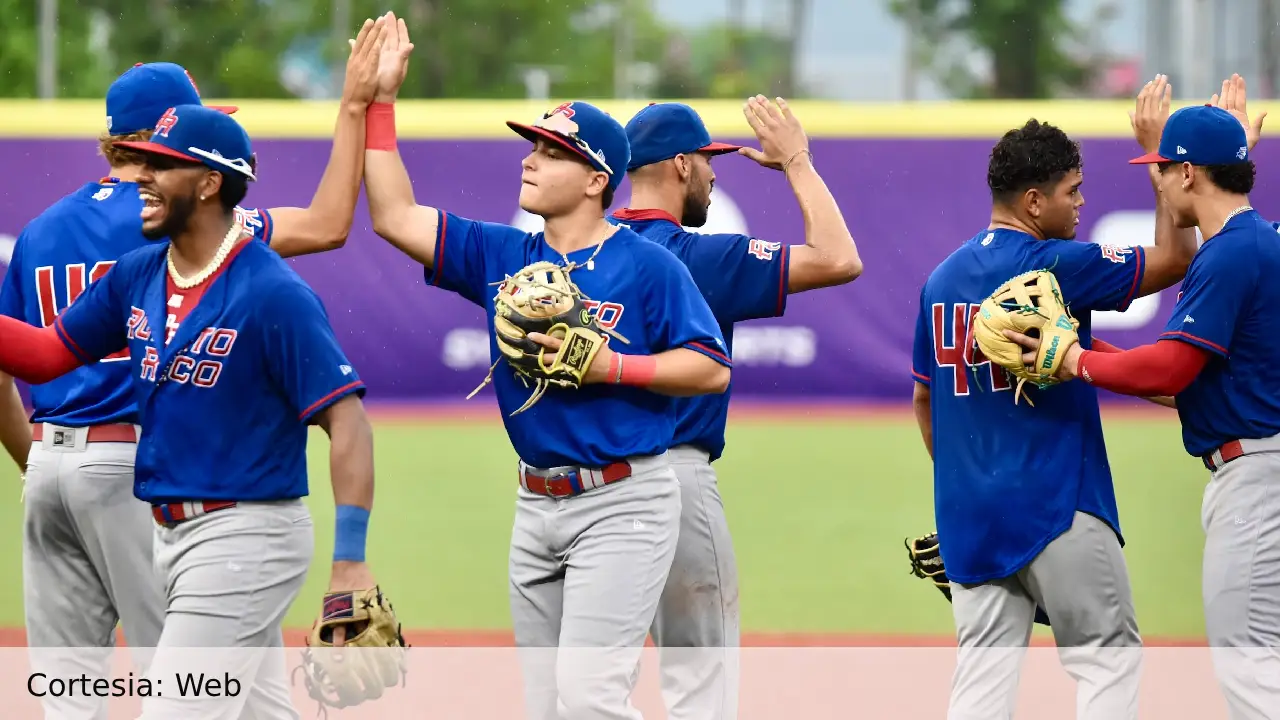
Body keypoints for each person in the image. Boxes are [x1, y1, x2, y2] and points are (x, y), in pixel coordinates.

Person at [0, 18, 389, 720]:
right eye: (141, 157)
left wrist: (351, 561)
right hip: (159, 518)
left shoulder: (266, 287)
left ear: (209, 184)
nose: (140, 177)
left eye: (160, 163)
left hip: (240, 529)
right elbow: (44, 353)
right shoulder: (140, 272)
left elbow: (347, 419)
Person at [360, 15, 732, 720]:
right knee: (548, 707)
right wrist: (379, 105)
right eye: (532, 144)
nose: (530, 159)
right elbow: (394, 215)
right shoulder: (506, 255)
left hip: (624, 502)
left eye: (552, 150)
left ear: (597, 179)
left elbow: (710, 368)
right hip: (536, 504)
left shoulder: (646, 265)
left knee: (589, 699)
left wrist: (613, 368)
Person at [911, 75, 1209, 719]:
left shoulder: (939, 280)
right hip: (1055, 505)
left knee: (981, 685)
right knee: (1109, 657)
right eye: (1071, 193)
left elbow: (924, 402)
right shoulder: (1057, 263)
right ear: (1032, 200)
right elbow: (1175, 257)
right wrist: (1159, 156)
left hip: (969, 515)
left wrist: (968, 483)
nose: (1080, 205)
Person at [1005, 78, 1278, 720]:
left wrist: (1072, 358)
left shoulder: (1235, 253)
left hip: (1257, 482)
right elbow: (1180, 380)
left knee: (1251, 674)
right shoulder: (1256, 242)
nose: (1156, 181)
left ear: (1188, 173)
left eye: (1161, 168)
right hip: (1260, 465)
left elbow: (1173, 366)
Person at [609, 98, 861, 719]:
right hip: (673, 481)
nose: (715, 173)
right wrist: (797, 161)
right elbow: (839, 258)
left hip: (587, 491)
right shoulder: (695, 257)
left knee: (589, 691)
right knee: (702, 692)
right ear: (681, 167)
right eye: (707, 158)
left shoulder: (590, 252)